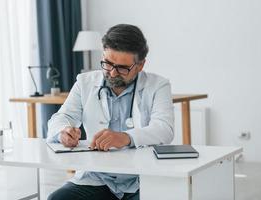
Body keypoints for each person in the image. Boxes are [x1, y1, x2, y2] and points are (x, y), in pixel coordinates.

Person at [47, 24, 174, 200]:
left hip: (141, 178)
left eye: (122, 68)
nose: (112, 73)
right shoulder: (85, 82)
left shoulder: (158, 85)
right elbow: (61, 117)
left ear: (140, 65)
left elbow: (164, 129)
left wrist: (125, 137)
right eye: (107, 64)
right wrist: (64, 132)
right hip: (97, 177)